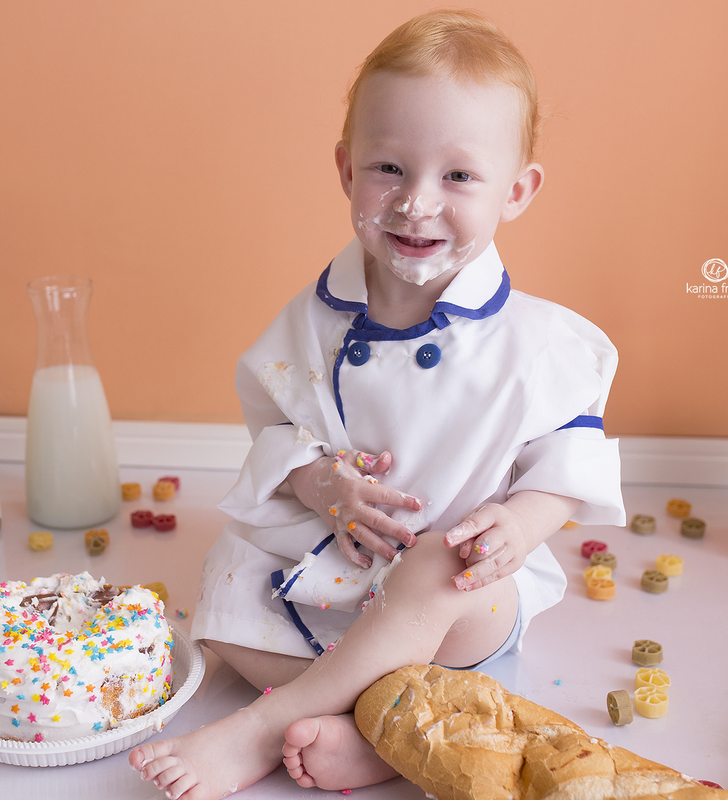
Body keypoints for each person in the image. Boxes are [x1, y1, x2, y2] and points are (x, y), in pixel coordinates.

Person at [130, 9, 624, 799]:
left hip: (456, 604)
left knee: (440, 568)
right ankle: (385, 730)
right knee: (223, 607)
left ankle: (267, 724)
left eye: (460, 176)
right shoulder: (311, 320)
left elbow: (570, 464)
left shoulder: (538, 344)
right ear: (346, 171)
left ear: (517, 190)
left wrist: (523, 524)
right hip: (337, 573)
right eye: (389, 168)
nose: (417, 203)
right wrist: (320, 483)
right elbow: (276, 428)